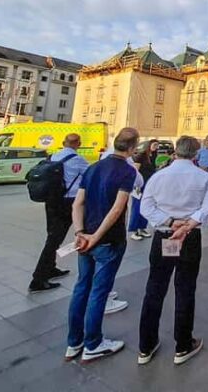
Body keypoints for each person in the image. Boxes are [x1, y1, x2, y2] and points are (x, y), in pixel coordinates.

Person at [65, 127, 139, 363]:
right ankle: (93, 343)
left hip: (84, 238)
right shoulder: (127, 171)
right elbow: (117, 209)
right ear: (132, 148)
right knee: (99, 291)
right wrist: (96, 236)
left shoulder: (93, 167)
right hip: (107, 240)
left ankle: (73, 342)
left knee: (81, 288)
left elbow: (78, 204)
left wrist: (80, 232)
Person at [137, 135, 208, 366]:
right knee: (185, 288)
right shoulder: (203, 177)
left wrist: (170, 222)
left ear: (175, 151)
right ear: (196, 154)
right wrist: (189, 223)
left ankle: (146, 345)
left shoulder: (159, 176)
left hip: (165, 235)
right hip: (188, 238)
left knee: (155, 288)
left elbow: (145, 207)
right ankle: (182, 344)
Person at [29, 133, 90, 293]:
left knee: (52, 236)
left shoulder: (53, 157)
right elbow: (90, 176)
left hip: (51, 201)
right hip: (67, 202)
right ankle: (38, 279)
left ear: (63, 143)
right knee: (53, 240)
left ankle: (51, 268)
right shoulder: (77, 160)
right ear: (78, 144)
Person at [129, 139, 158, 241]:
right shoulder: (140, 156)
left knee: (146, 206)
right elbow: (135, 170)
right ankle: (134, 230)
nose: (156, 147)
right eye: (154, 145)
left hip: (148, 184)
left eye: (157, 145)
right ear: (148, 145)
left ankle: (142, 228)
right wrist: (136, 185)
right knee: (137, 206)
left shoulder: (153, 156)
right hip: (139, 185)